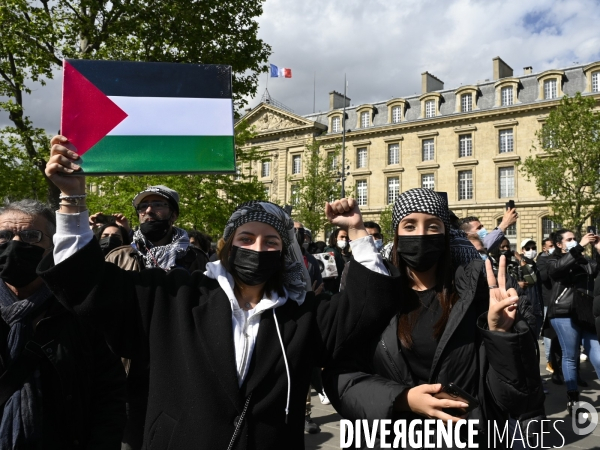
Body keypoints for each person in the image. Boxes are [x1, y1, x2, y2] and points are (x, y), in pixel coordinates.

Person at [41, 135, 403, 449]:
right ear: (227, 246)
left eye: (271, 242)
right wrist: (72, 199)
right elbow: (86, 283)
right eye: (246, 239)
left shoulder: (301, 311)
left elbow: (367, 306)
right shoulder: (176, 297)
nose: (258, 249)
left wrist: (356, 231)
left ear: (284, 252)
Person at [323, 188, 544, 448]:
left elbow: (518, 396)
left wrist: (500, 333)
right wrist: (403, 399)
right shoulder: (377, 297)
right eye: (409, 225)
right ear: (397, 234)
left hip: (470, 437)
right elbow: (341, 376)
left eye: (432, 226)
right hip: (396, 438)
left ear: (446, 235)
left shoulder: (477, 295)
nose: (421, 234)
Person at [0, 199, 126, 449]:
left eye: (31, 236)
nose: (15, 244)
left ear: (53, 246)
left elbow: (109, 396)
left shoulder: (81, 310)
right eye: (4, 235)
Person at [547, 228, 600, 414]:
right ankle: (573, 397)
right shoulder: (552, 260)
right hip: (564, 312)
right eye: (569, 239)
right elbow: (557, 269)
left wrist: (598, 248)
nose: (574, 241)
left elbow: (595, 270)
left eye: (575, 238)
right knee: (570, 355)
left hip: (585, 312)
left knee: (597, 353)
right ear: (559, 244)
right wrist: (579, 246)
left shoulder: (583, 259)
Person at [105, 185, 208, 273]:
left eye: (158, 205)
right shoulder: (118, 258)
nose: (148, 210)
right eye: (143, 206)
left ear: (174, 215)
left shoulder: (196, 257)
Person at [537, 238, 555, 372]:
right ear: (544, 248)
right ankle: (550, 360)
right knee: (549, 332)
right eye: (551, 246)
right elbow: (544, 277)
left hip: (563, 300)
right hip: (548, 300)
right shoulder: (542, 260)